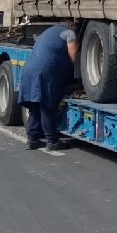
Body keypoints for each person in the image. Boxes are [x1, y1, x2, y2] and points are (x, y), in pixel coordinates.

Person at [19, 21, 78, 151]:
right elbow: (73, 55)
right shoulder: (69, 33)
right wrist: (80, 74)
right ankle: (52, 141)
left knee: (35, 105)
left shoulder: (47, 32)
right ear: (71, 26)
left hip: (29, 69)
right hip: (46, 71)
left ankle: (32, 140)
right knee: (47, 105)